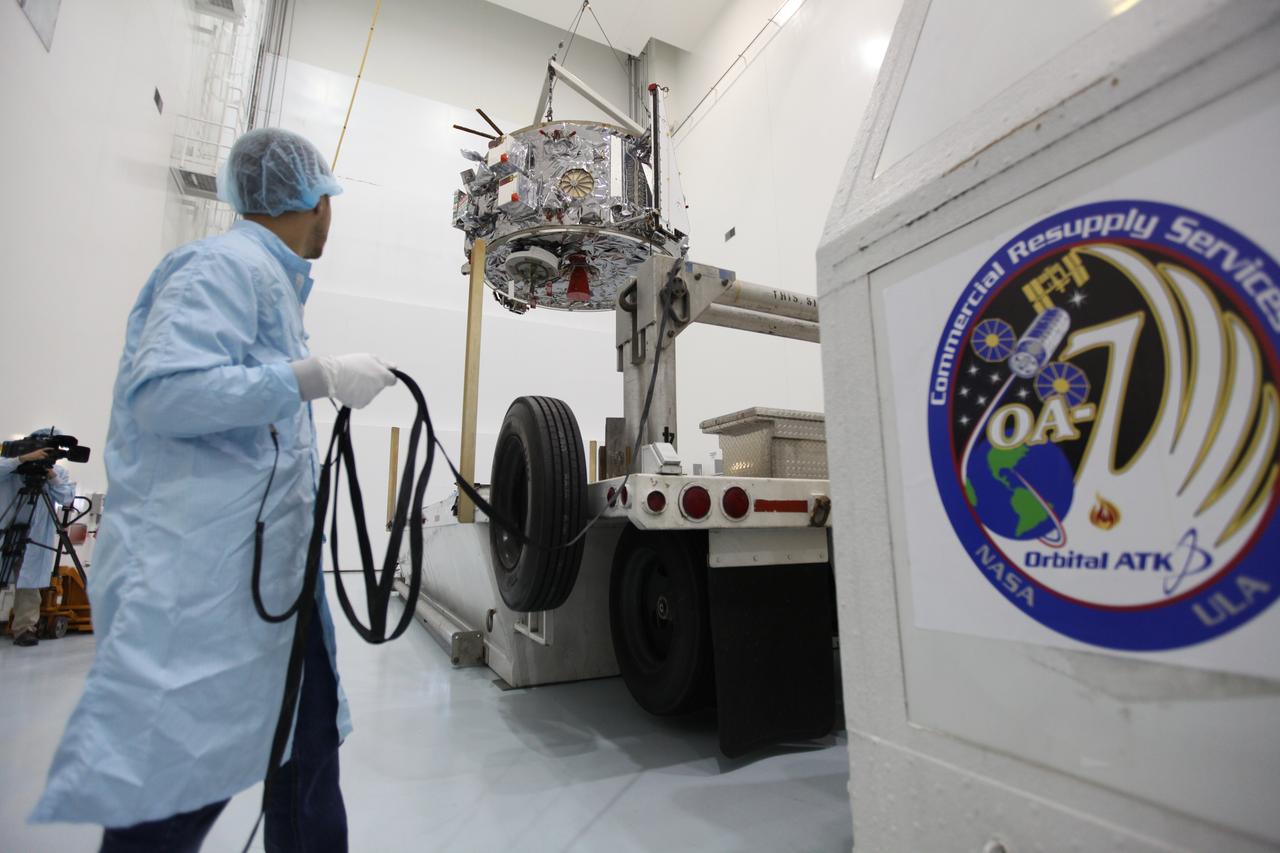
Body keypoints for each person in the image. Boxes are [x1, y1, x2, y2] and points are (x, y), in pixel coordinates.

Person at [31, 128, 397, 852]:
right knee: (172, 792)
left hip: (272, 587)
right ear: (313, 199)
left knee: (308, 760)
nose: (332, 214)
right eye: (332, 198)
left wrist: (309, 379)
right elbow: (165, 394)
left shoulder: (270, 285)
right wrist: (316, 377)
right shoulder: (220, 267)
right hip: (205, 592)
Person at [0, 434, 76, 646]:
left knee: (29, 584)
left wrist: (51, 475)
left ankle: (24, 629)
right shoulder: (11, 466)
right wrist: (22, 460)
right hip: (5, 528)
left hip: (33, 535)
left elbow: (67, 498)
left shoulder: (57, 472)